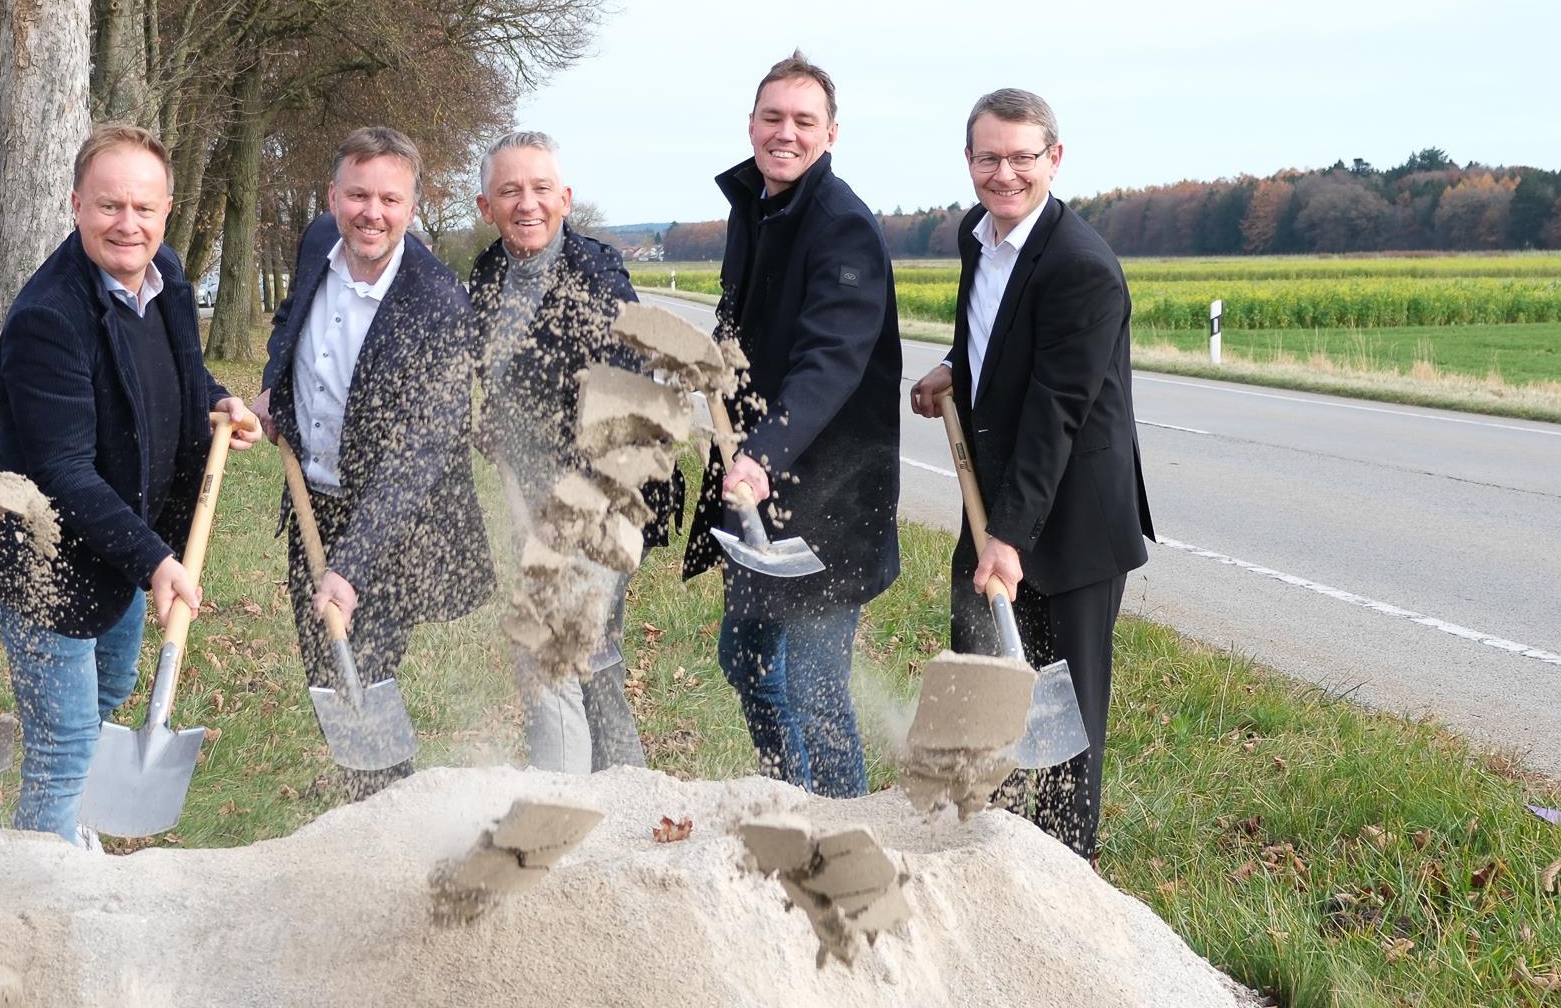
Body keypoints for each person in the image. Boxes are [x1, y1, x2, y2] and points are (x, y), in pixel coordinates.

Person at [0, 122, 258, 844]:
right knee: (64, 745)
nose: (127, 224)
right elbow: (63, 474)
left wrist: (216, 401)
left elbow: (179, 377)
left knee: (104, 702)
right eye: (109, 206)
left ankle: (79, 835)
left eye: (143, 208)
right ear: (75, 204)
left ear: (166, 211)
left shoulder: (167, 278)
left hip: (120, 547)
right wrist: (158, 561)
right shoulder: (49, 319)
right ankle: (42, 897)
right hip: (44, 561)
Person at [909, 87, 1153, 858]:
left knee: (1065, 726)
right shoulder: (976, 237)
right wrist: (954, 367)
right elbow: (996, 335)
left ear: (1054, 158)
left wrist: (1009, 537)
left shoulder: (1082, 267)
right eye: (989, 157)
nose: (1004, 173)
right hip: (996, 507)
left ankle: (1067, 877)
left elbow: (1058, 411)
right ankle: (987, 851)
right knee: (986, 694)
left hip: (1071, 526)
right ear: (970, 160)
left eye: (1022, 157)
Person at [683, 51, 902, 795]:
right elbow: (750, 336)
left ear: (830, 133)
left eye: (803, 121)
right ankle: (789, 794)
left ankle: (844, 837)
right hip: (761, 493)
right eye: (773, 117)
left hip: (832, 497)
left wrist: (761, 455)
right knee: (743, 661)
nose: (786, 132)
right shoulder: (757, 207)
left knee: (815, 689)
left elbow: (829, 364)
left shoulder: (844, 231)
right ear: (751, 124)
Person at [250, 126, 488, 799]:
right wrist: (275, 387)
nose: (371, 213)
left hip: (392, 524)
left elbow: (420, 454)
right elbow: (290, 321)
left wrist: (350, 569)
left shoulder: (437, 303)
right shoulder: (317, 243)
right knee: (327, 678)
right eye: (357, 195)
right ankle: (369, 809)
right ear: (333, 197)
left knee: (364, 676)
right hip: (311, 503)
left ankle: (393, 820)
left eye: (390, 199)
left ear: (413, 208)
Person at [467, 129, 649, 775]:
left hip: (604, 504)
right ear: (485, 206)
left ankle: (558, 813)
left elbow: (629, 418)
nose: (528, 204)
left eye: (541, 188)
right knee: (590, 666)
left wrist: (567, 517)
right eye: (510, 190)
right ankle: (634, 807)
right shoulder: (489, 272)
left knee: (548, 651)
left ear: (565, 198)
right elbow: (500, 376)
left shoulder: (596, 281)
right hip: (534, 494)